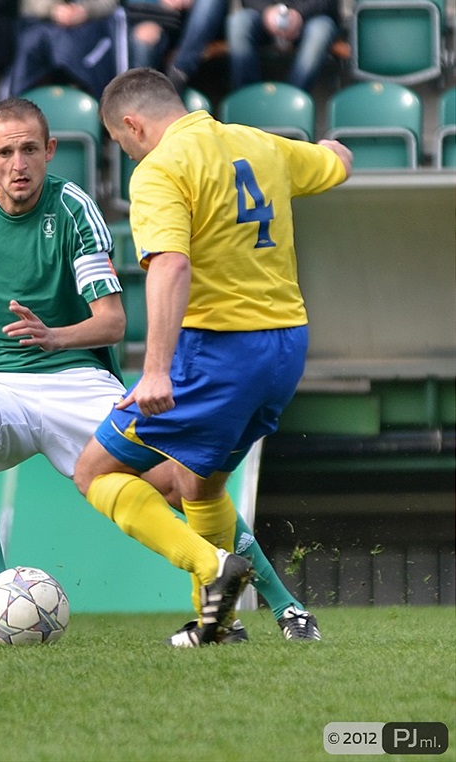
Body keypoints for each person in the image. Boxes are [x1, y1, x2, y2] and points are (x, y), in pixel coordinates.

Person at [0, 96, 318, 640]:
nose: (19, 163)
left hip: (73, 376)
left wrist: (53, 336)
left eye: (29, 150)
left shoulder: (73, 210)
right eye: (5, 152)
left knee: (184, 482)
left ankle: (284, 607)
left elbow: (111, 322)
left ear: (50, 151)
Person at [73, 67, 353, 647]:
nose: (127, 153)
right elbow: (336, 164)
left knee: (95, 471)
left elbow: (171, 264)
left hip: (217, 350)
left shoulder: (161, 170)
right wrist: (332, 152)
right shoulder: (261, 144)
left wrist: (155, 369)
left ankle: (210, 569)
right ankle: (221, 623)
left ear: (132, 124)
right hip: (285, 346)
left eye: (122, 142)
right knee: (199, 486)